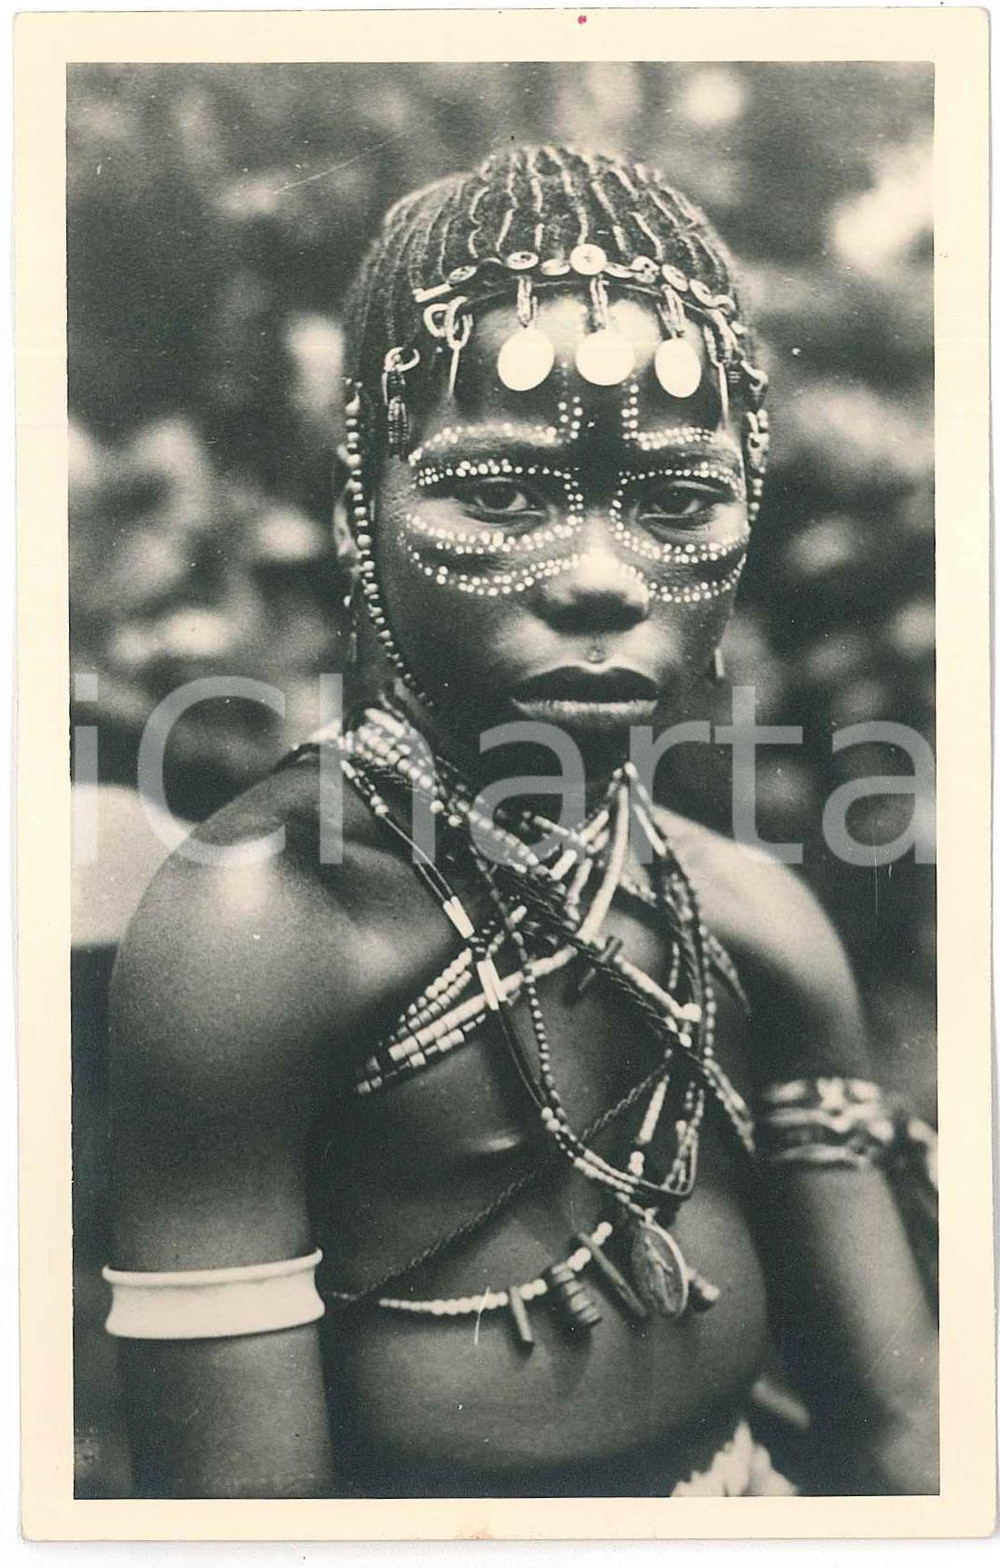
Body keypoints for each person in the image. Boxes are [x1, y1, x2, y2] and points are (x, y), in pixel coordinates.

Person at [104, 145, 938, 1500]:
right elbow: (234, 1522)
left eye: (675, 502)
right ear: (355, 518)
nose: (603, 576)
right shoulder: (258, 925)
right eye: (498, 496)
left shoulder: (749, 917)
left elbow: (908, 1418)